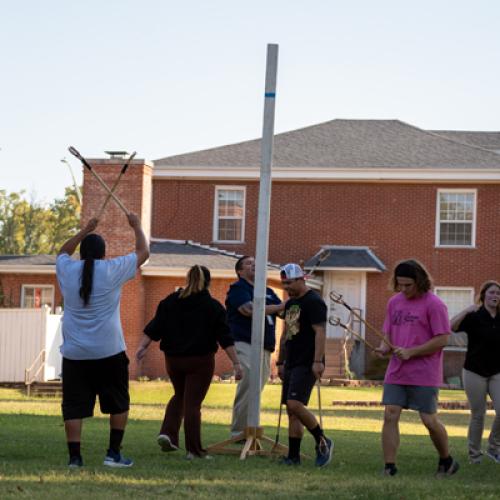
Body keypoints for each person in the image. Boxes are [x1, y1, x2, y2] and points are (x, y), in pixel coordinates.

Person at [56, 213, 149, 468]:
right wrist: (137, 227)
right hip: (109, 351)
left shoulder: (67, 269)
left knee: (74, 406)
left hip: (75, 353)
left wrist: (85, 230)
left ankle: (75, 458)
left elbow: (63, 251)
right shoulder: (111, 270)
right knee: (118, 402)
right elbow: (143, 252)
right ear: (103, 254)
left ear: (83, 252)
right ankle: (113, 454)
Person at [136, 265, 243, 459]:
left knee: (180, 395)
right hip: (200, 361)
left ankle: (167, 433)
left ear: (187, 279)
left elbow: (155, 326)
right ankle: (194, 450)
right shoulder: (213, 307)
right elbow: (225, 337)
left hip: (173, 360)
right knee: (193, 404)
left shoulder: (170, 301)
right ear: (208, 283)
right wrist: (236, 363)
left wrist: (142, 347)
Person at [375, 259, 459, 477]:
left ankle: (446, 460)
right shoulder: (394, 302)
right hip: (397, 371)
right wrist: (384, 347)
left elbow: (442, 339)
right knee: (390, 414)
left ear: (420, 281)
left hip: (424, 371)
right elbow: (389, 332)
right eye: (400, 285)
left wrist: (412, 351)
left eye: (408, 285)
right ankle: (389, 467)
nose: (403, 289)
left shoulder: (434, 304)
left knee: (429, 420)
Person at [276, 263, 333, 467]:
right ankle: (293, 457)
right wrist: (281, 361)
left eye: (289, 283)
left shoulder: (314, 302)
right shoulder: (291, 303)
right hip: (291, 361)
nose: (287, 287)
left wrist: (318, 361)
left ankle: (322, 439)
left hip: (308, 362)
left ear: (302, 279)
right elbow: (287, 333)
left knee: (295, 404)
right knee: (292, 412)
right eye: (284, 284)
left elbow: (320, 332)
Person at [226, 255, 284, 438]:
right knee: (249, 381)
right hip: (245, 341)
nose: (253, 266)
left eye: (255, 264)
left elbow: (284, 311)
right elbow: (249, 310)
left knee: (257, 387)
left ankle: (251, 428)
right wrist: (278, 306)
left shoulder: (267, 291)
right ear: (240, 271)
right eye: (248, 264)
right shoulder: (238, 289)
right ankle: (239, 432)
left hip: (265, 346)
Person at [450, 280, 500, 464]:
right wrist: (466, 310)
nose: (495, 296)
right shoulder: (474, 316)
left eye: (498, 293)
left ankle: (494, 448)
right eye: (492, 293)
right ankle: (474, 454)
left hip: (497, 371)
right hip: (474, 371)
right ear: (483, 295)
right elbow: (451, 327)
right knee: (478, 414)